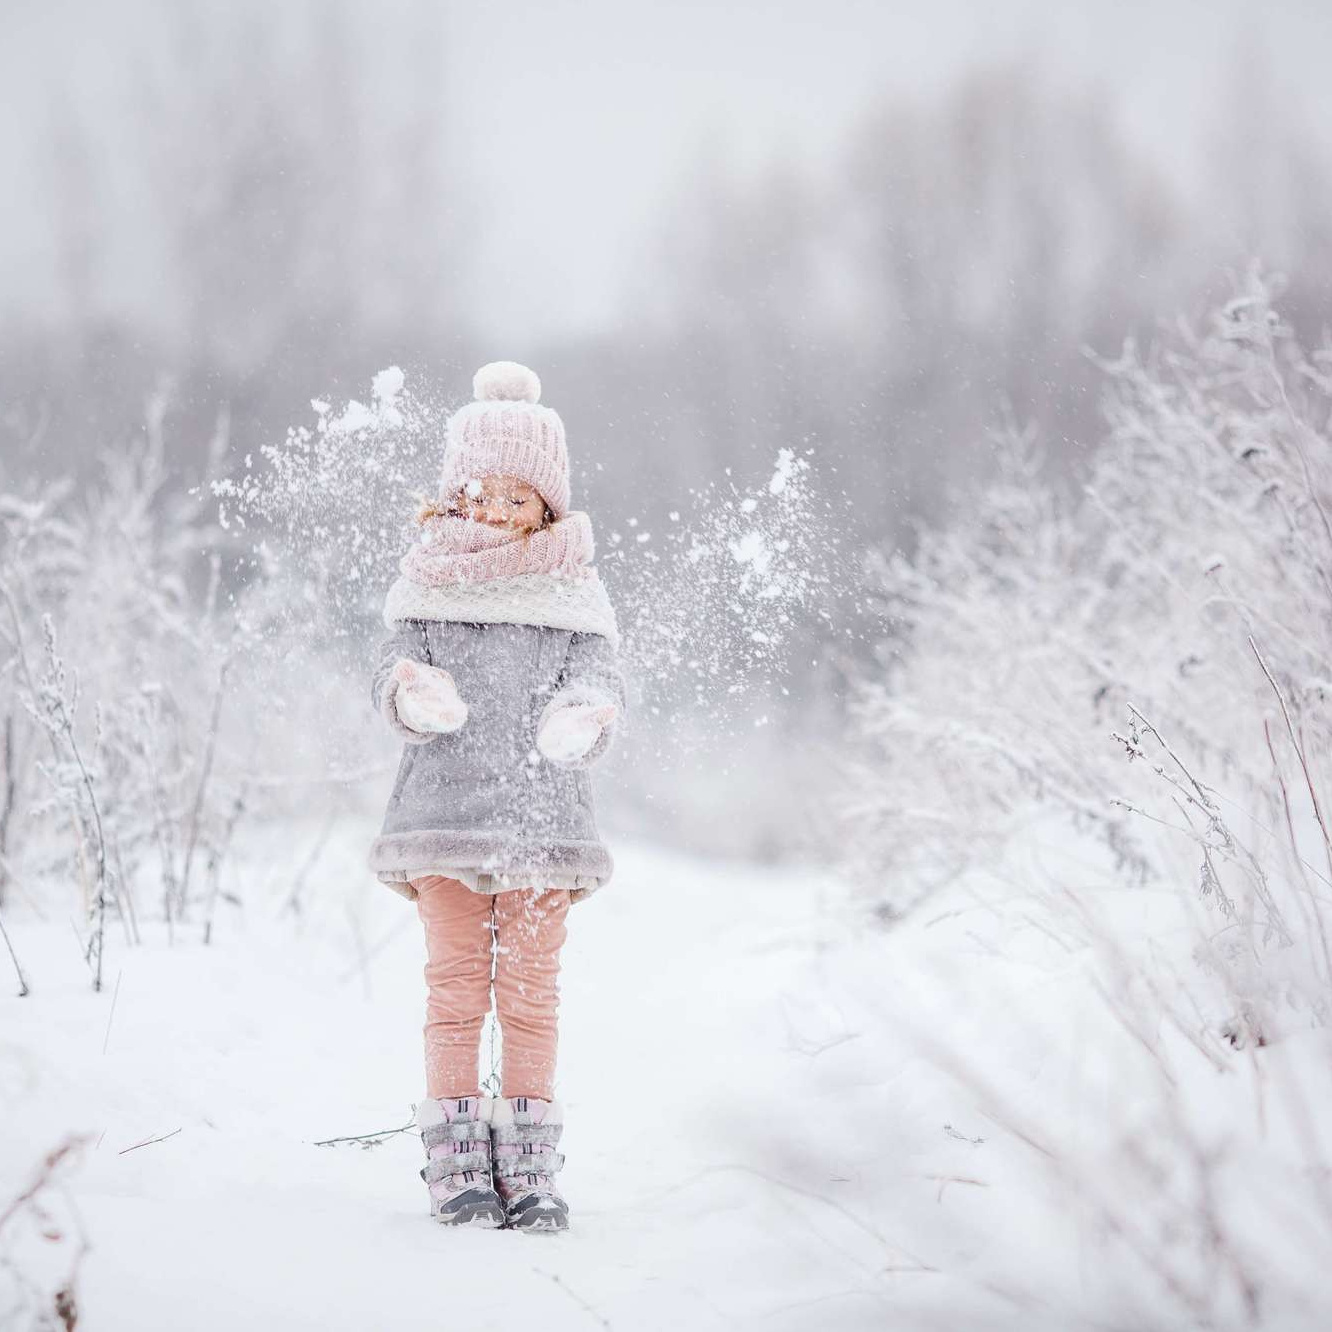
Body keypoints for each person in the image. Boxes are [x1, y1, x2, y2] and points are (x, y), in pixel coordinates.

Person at [368, 361, 624, 1232]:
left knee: (530, 996)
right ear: (455, 492)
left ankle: (529, 1161)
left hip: (542, 828)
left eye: (520, 496)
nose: (498, 508)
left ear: (547, 505)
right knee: (454, 991)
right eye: (483, 490)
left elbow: (598, 678)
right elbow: (389, 676)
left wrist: (583, 715)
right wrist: (411, 695)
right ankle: (456, 1159)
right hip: (442, 820)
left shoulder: (573, 590)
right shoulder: (428, 582)